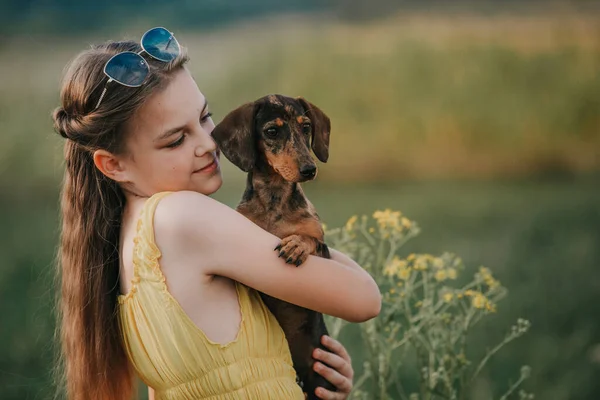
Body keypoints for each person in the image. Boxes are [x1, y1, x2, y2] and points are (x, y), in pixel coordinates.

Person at [52, 28, 381, 400]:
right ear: (113, 165)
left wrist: (302, 372)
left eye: (205, 117)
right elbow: (365, 298)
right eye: (177, 139)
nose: (209, 143)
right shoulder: (183, 217)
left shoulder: (123, 242)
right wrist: (301, 231)